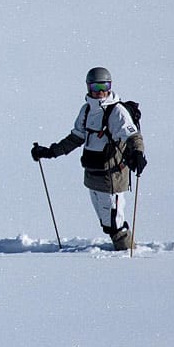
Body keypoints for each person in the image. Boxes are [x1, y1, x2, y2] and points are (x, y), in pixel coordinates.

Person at [31, 67, 147, 250]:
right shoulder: (86, 110)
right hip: (93, 176)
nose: (100, 91)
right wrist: (50, 152)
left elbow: (133, 137)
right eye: (96, 86)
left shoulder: (116, 111)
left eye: (104, 86)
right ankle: (124, 250)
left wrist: (138, 154)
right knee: (106, 222)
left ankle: (128, 256)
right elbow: (76, 138)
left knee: (114, 223)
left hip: (112, 176)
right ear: (88, 87)